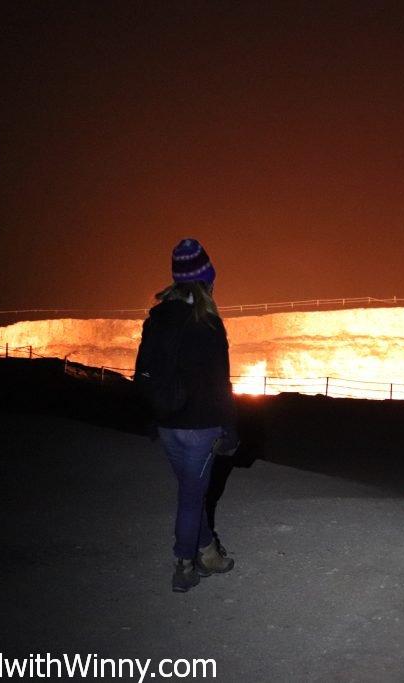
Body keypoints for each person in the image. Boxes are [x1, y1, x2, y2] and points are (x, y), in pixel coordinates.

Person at [136, 238, 240, 593]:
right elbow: (219, 384)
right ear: (207, 278)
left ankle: (208, 552)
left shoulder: (156, 319)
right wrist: (229, 428)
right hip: (199, 426)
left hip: (167, 425)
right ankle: (184, 563)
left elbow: (143, 372)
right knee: (192, 497)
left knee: (190, 490)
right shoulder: (208, 324)